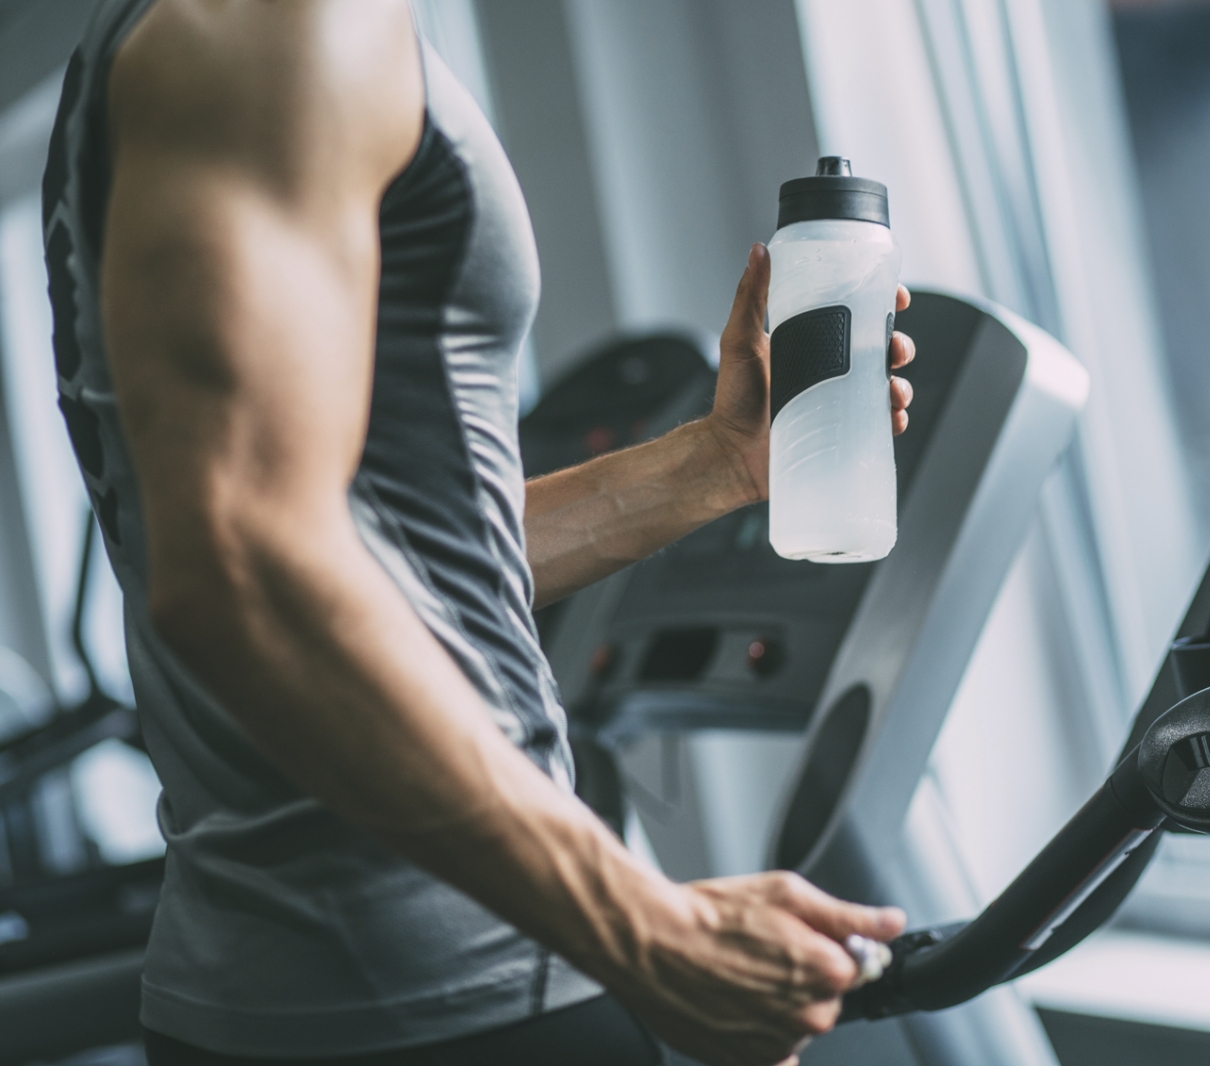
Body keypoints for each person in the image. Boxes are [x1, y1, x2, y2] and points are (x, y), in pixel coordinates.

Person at [42, 2, 918, 1064]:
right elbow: (245, 570)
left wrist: (715, 465)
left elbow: (385, 569)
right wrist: (651, 929)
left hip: (342, 978)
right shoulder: (284, 21)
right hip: (443, 989)